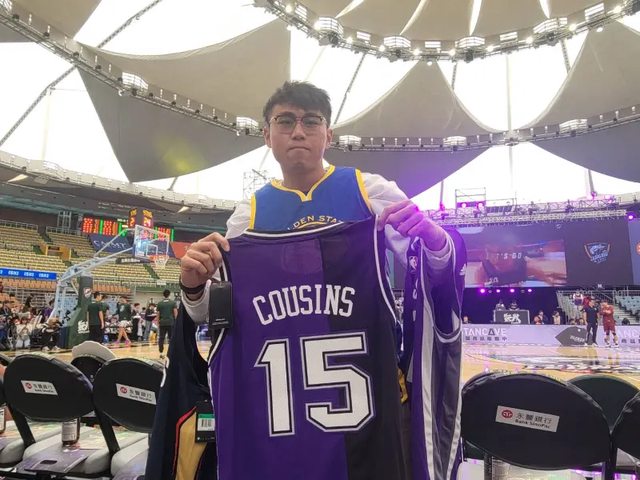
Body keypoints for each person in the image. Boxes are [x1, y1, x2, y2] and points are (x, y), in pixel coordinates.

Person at [156, 81, 463, 480]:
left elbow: (431, 274)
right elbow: (212, 315)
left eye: (311, 121)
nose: (298, 131)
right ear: (267, 135)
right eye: (285, 121)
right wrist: (194, 286)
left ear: (328, 134)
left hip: (371, 416)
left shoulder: (370, 191)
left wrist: (437, 243)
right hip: (282, 418)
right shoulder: (247, 216)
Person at [156, 290, 177, 359]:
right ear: (169, 295)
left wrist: (157, 322)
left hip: (162, 323)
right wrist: (177, 322)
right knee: (171, 338)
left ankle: (161, 352)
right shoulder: (173, 303)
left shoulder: (159, 303)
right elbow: (175, 313)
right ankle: (171, 352)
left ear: (163, 295)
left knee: (161, 338)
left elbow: (158, 314)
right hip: (171, 322)